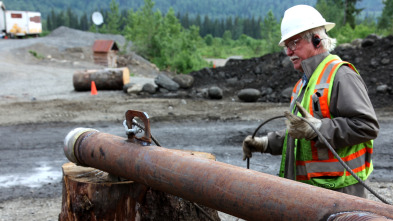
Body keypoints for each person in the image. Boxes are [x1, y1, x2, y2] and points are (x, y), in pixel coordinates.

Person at [242, 5, 379, 198]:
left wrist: (318, 128)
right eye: (286, 46)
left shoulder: (342, 75)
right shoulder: (303, 84)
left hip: (339, 193)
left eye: (294, 43)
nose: (288, 52)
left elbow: (367, 126)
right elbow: (300, 133)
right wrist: (266, 143)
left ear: (317, 40)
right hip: (311, 193)